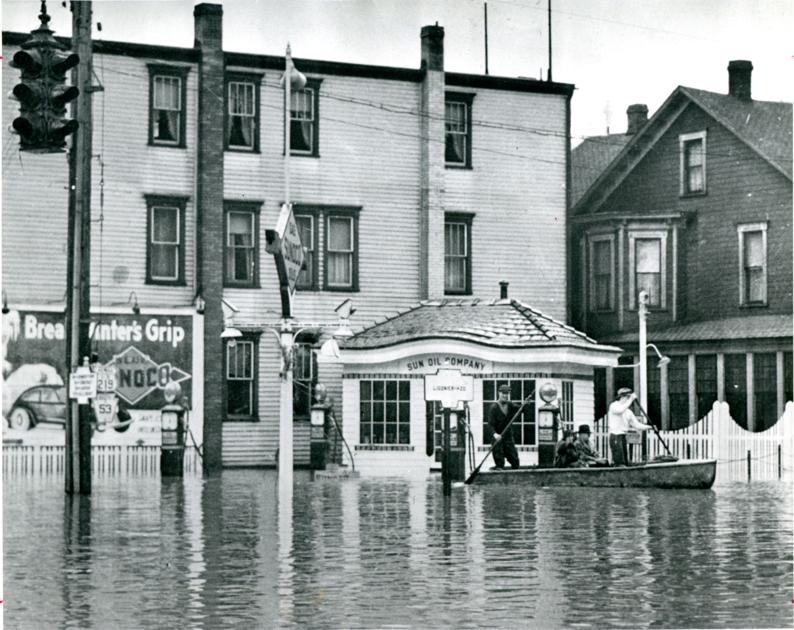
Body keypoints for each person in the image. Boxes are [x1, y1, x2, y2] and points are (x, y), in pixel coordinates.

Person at [608, 387, 652, 466]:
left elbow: (637, 425)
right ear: (622, 397)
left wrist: (650, 427)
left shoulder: (628, 412)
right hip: (615, 435)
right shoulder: (614, 406)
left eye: (629, 398)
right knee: (619, 462)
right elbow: (620, 410)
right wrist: (631, 399)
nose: (628, 400)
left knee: (625, 461)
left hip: (623, 436)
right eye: (627, 397)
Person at [488, 384, 520, 469]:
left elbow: (520, 408)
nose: (505, 395)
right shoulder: (494, 407)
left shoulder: (510, 405)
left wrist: (526, 404)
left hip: (508, 435)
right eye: (503, 393)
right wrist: (495, 434)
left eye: (507, 393)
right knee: (499, 459)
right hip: (498, 436)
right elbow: (490, 424)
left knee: (514, 457)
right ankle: (499, 468)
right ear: (499, 393)